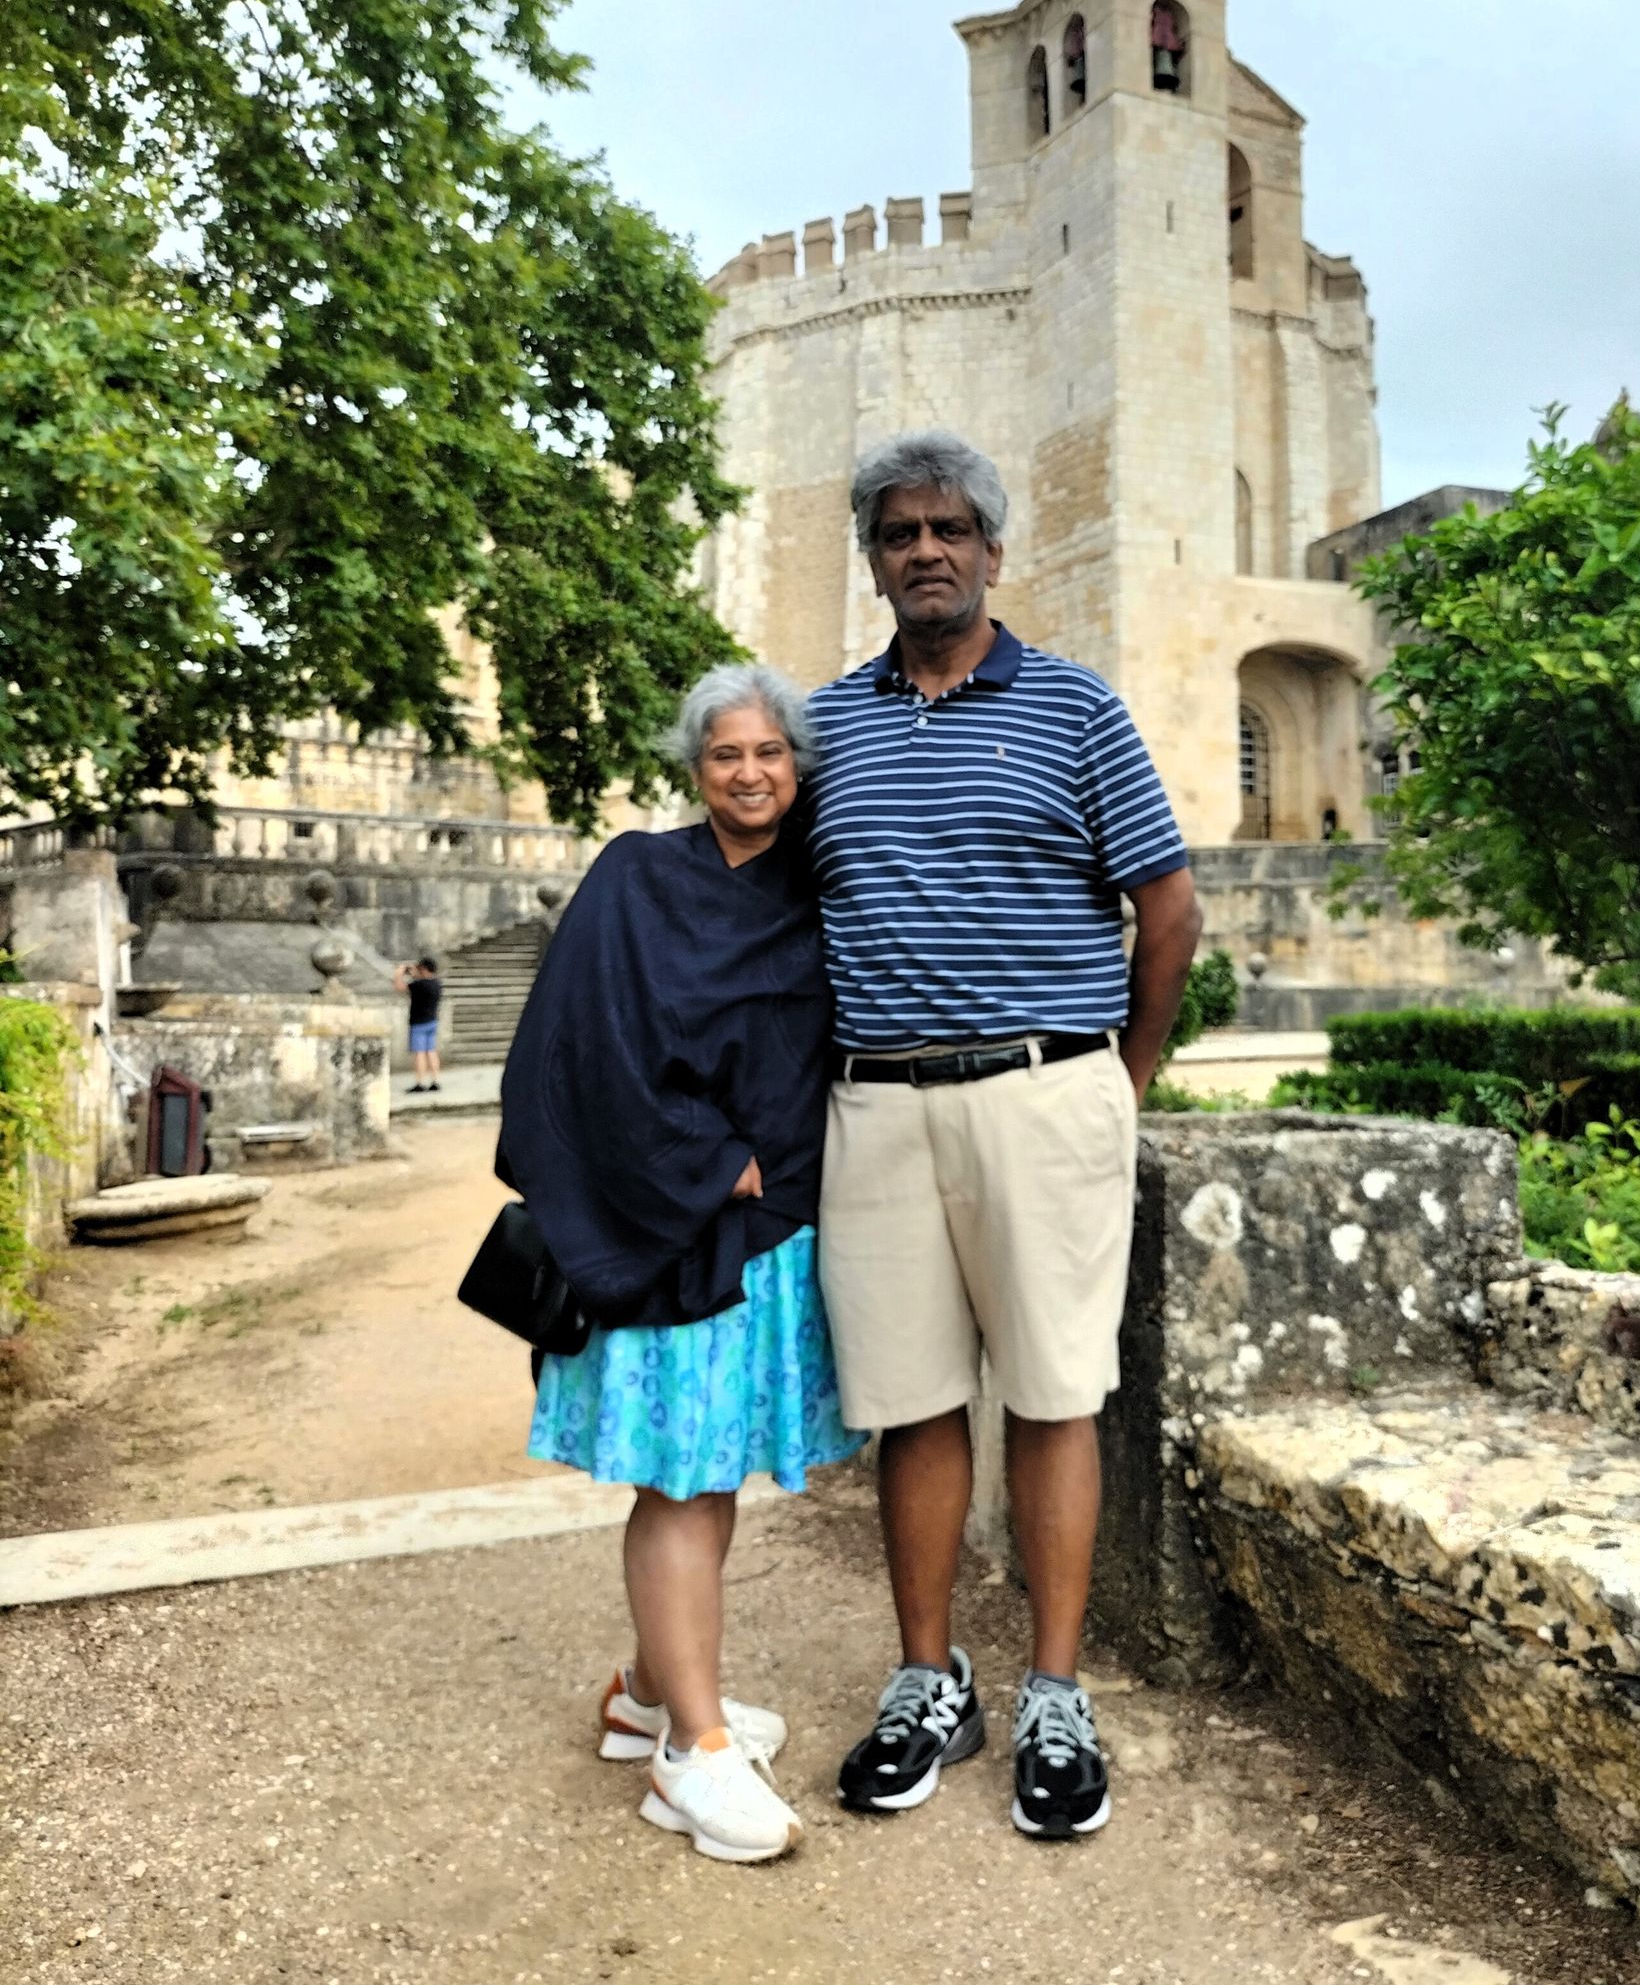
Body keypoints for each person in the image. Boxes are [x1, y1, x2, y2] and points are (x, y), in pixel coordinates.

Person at [811, 429, 1202, 1842]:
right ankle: (930, 1679)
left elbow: (1168, 909)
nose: (927, 548)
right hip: (874, 1103)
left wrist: (1123, 1082)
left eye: (952, 527)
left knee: (1053, 1395)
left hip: (1047, 1090)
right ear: (873, 557)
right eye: (901, 529)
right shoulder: (824, 725)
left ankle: (1053, 1690)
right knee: (909, 1403)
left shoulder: (1078, 710)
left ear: (992, 549)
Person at [498, 663, 863, 1866]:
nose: (750, 772)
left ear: (797, 765)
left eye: (770, 752)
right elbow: (575, 1048)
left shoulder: (818, 891)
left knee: (706, 1475)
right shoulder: (635, 879)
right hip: (666, 1215)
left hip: (771, 1232)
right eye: (726, 755)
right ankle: (692, 1750)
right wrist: (709, 1163)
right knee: (680, 1481)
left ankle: (646, 1693)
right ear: (694, 768)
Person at [394, 954, 442, 1094]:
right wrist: (416, 974)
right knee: (431, 1052)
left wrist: (400, 971)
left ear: (424, 969)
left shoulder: (419, 985)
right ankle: (435, 1080)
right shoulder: (436, 984)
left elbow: (399, 986)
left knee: (420, 1054)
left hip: (419, 1023)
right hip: (432, 1021)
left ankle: (420, 1082)